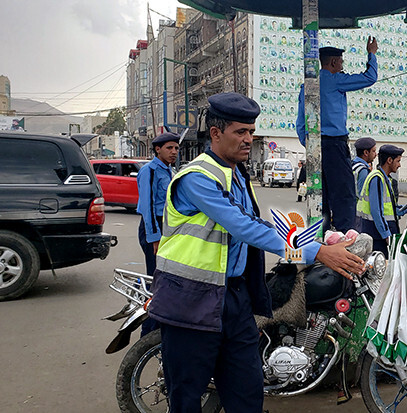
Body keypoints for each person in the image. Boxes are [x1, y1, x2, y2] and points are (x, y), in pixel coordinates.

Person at [147, 92, 364, 412]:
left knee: (247, 394)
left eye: (252, 131)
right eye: (241, 132)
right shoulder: (198, 178)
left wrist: (319, 242)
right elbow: (244, 227)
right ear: (216, 134)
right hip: (190, 301)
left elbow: (259, 229)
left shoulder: (235, 175)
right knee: (187, 398)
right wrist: (315, 252)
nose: (249, 139)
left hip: (234, 299)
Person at [296, 39, 379, 232]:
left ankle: (320, 237)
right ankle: (344, 237)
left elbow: (300, 122)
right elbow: (369, 78)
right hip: (335, 145)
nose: (342, 66)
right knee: (344, 194)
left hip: (315, 146)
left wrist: (308, 145)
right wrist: (371, 53)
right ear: (333, 62)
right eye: (341, 62)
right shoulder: (336, 80)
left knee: (320, 194)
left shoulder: (307, 85)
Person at [136, 132, 179, 335]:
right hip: (153, 228)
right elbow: (147, 206)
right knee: (156, 282)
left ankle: (160, 326)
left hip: (166, 229)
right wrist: (154, 238)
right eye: (169, 148)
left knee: (164, 280)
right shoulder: (150, 171)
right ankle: (149, 332)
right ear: (158, 149)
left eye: (176, 148)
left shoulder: (168, 171)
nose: (174, 152)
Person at [356, 144, 405, 254]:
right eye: (398, 161)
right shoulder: (377, 178)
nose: (399, 165)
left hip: (379, 234)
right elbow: (376, 211)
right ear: (389, 160)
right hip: (377, 236)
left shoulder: (385, 178)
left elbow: (390, 209)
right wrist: (386, 235)